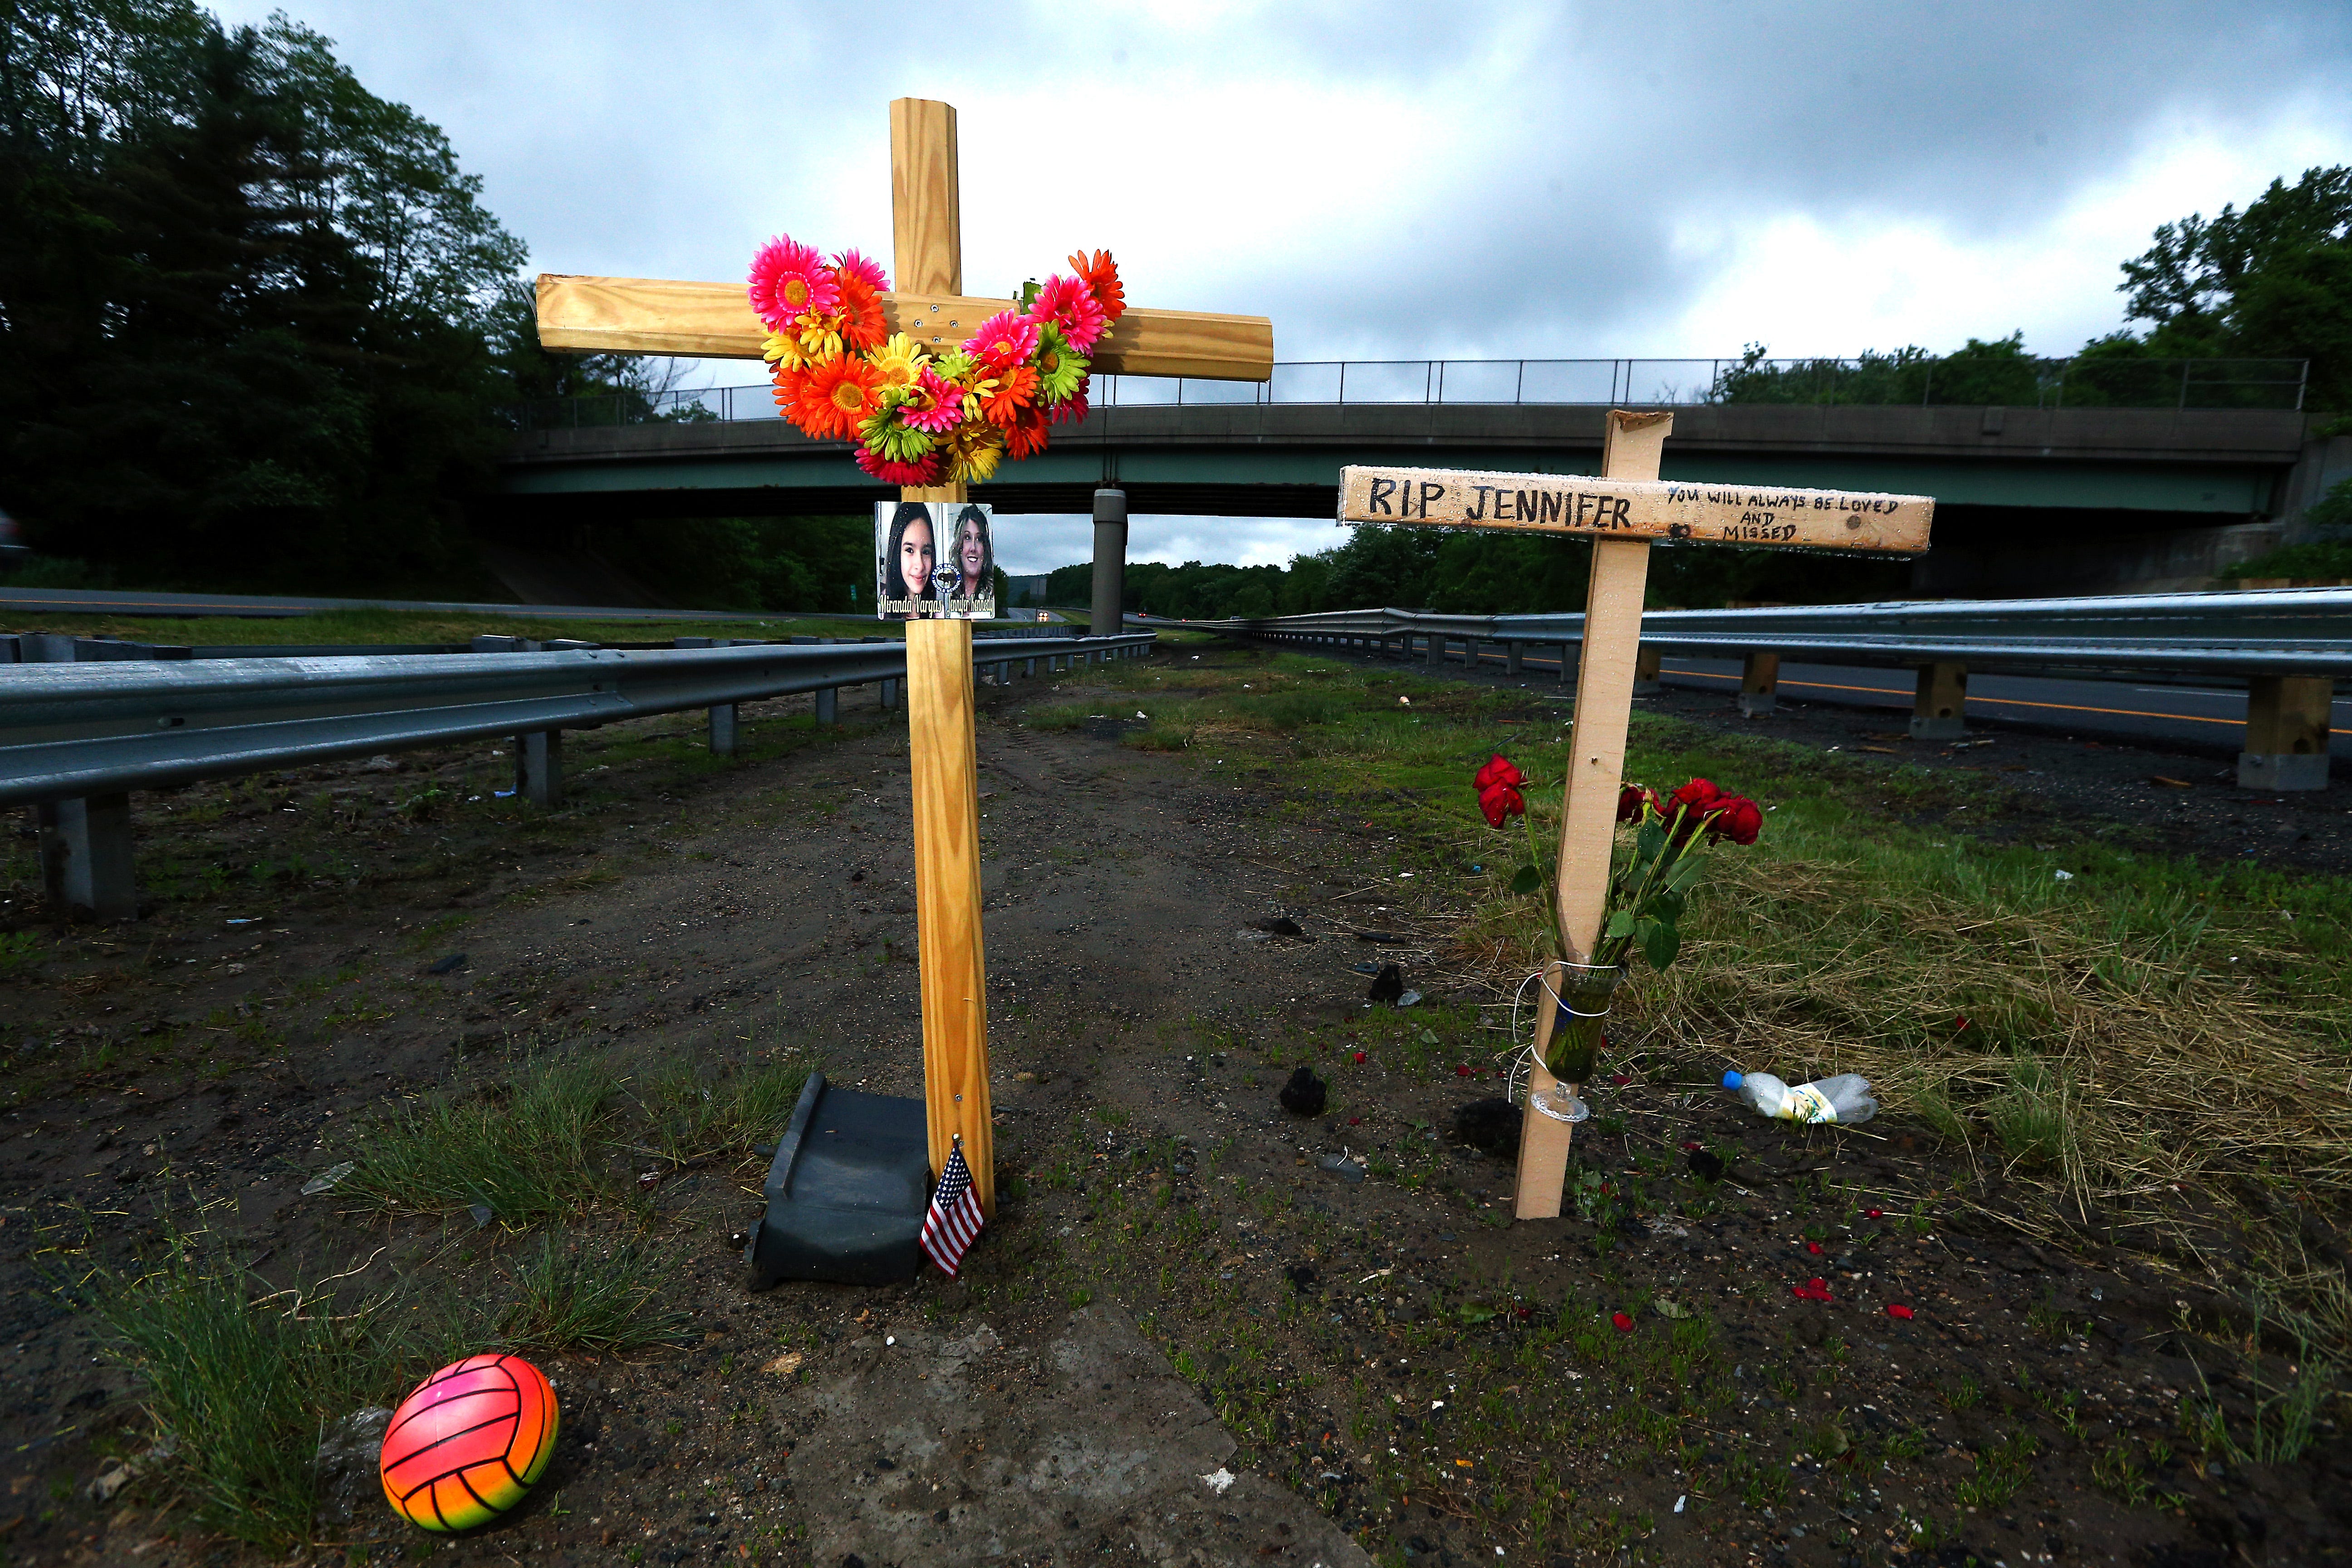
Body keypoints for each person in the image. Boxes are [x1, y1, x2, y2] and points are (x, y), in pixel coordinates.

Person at [882, 502, 936, 618]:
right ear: (896, 553)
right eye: (910, 550)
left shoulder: (942, 613)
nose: (920, 565)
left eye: (926, 552)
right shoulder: (881, 610)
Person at [952, 505, 993, 608]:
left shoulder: (992, 595)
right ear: (959, 545)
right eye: (967, 538)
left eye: (979, 539)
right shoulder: (946, 593)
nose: (973, 548)